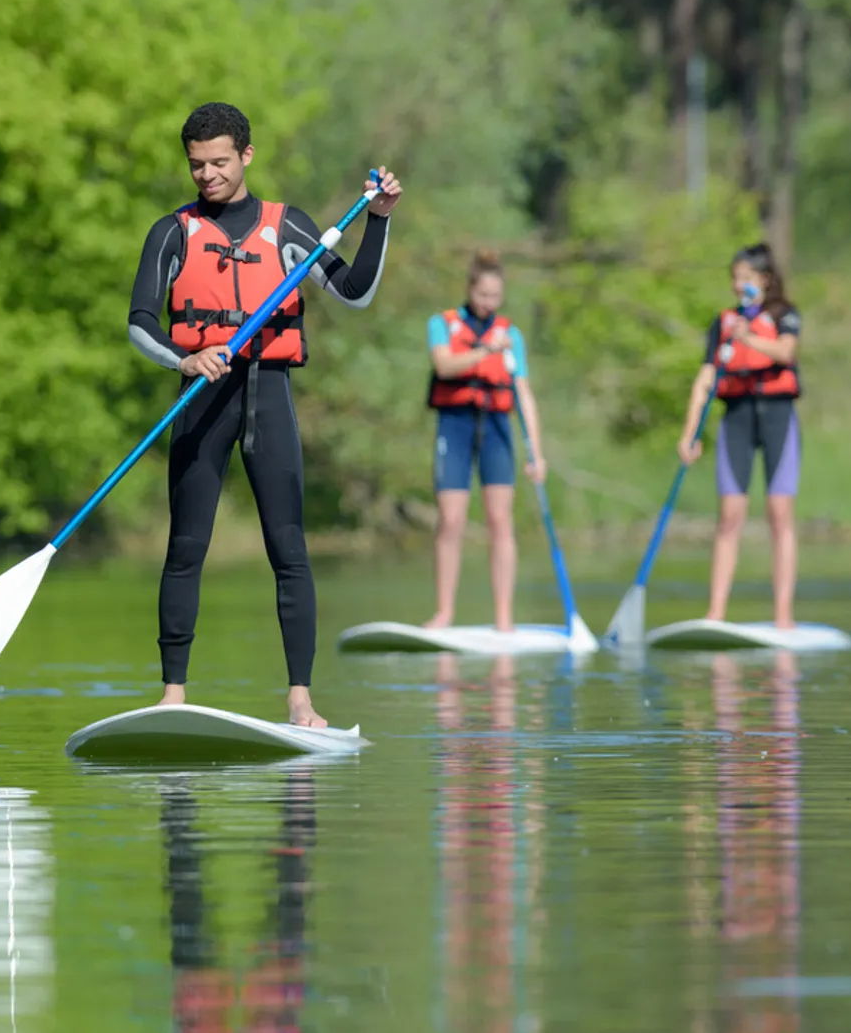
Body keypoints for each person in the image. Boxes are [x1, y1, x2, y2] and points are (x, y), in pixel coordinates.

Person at [128, 102, 400, 728]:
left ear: (245, 156)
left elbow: (354, 293)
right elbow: (140, 323)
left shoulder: (287, 227)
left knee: (289, 550)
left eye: (219, 162)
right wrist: (184, 359)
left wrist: (379, 221)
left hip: (267, 393)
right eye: (197, 165)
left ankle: (301, 700)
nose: (207, 175)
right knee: (185, 547)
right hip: (202, 396)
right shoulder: (172, 231)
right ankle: (173, 696)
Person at [676, 241, 801, 628]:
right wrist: (690, 432)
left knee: (779, 514)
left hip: (778, 416)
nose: (737, 285)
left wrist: (747, 338)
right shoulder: (724, 323)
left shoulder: (784, 315)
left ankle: (783, 616)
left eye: (744, 278)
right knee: (730, 516)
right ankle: (716, 613)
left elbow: (785, 353)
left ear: (763, 280)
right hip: (738, 416)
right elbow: (706, 378)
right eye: (734, 278)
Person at [423, 250, 546, 632]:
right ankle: (444, 612)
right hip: (455, 424)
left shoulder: (512, 335)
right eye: (482, 295)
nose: (488, 303)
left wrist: (536, 452)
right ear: (470, 289)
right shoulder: (442, 324)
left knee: (499, 520)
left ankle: (504, 618)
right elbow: (443, 365)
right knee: (452, 519)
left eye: (495, 296)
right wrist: (484, 351)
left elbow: (523, 392)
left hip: (496, 427)